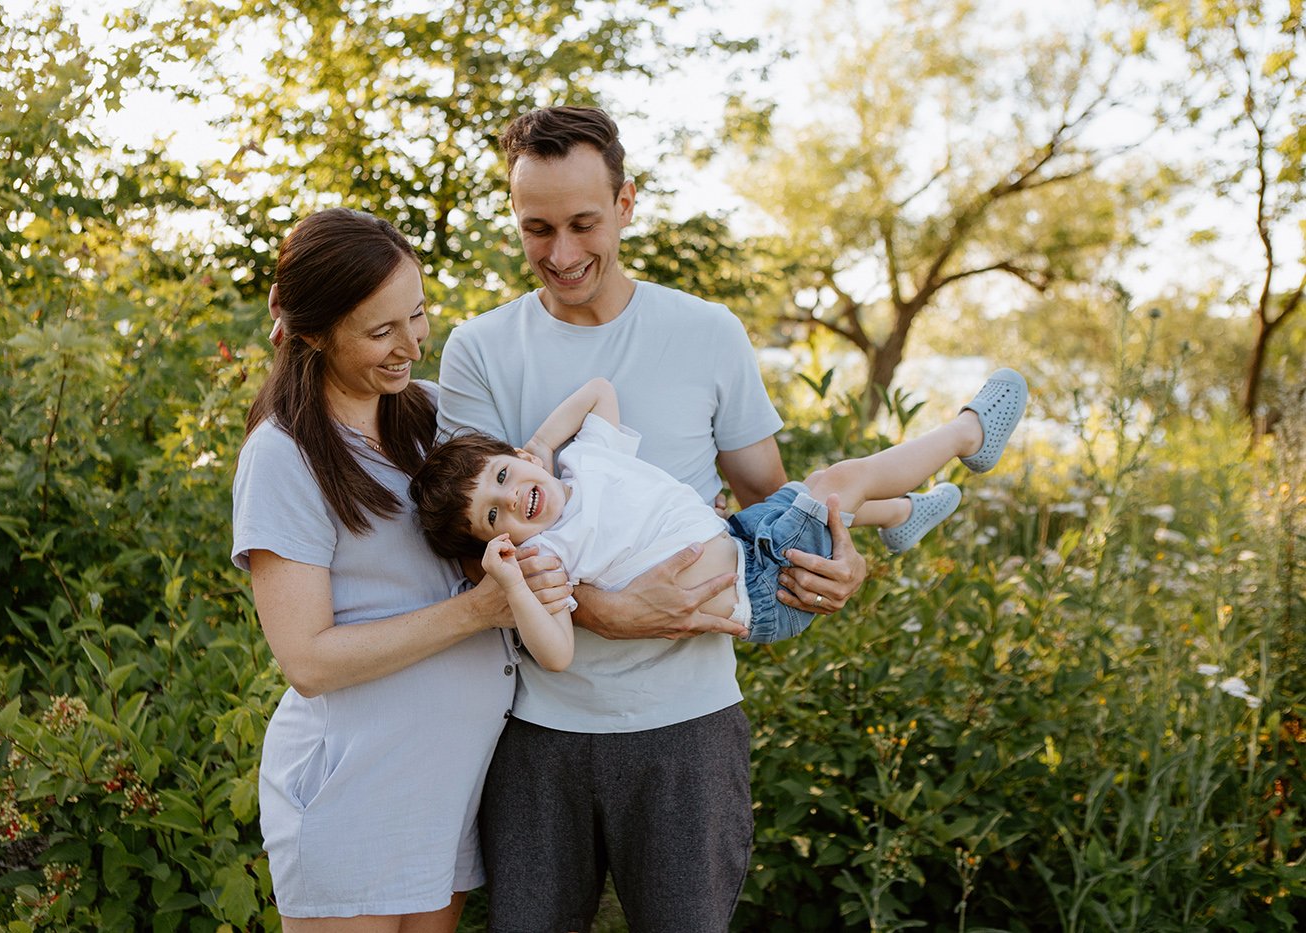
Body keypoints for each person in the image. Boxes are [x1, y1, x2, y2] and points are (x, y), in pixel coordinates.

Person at [434, 106, 868, 932]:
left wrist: (837, 564)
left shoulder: (706, 333)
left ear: (628, 203)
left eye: (583, 223)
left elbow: (769, 504)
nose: (560, 254)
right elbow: (467, 554)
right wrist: (616, 613)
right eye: (537, 228)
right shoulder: (479, 350)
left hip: (689, 731)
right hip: (533, 733)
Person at [230, 207, 570, 932]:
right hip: (354, 796)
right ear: (313, 332)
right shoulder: (284, 455)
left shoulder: (435, 419)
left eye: (416, 314)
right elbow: (308, 660)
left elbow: (543, 503)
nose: (412, 344)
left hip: (443, 793)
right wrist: (481, 610)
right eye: (380, 331)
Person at [414, 368, 1025, 653]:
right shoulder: (548, 554)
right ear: (502, 542)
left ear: (517, 457)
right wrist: (512, 582)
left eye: (502, 475)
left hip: (742, 534)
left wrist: (545, 444)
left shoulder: (584, 458)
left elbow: (599, 390)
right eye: (494, 516)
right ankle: (967, 436)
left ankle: (901, 515)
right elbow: (556, 654)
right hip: (757, 590)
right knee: (836, 483)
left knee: (814, 495)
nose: (511, 497)